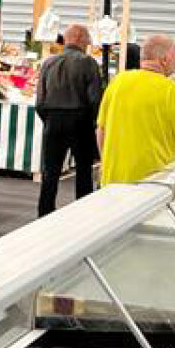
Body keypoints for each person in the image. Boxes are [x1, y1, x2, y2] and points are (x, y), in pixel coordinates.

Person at [99, 34, 175, 185]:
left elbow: (102, 130)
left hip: (112, 181)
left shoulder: (118, 82)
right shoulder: (173, 91)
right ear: (165, 59)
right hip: (153, 185)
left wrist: (105, 163)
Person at [35, 24, 104, 216]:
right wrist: (93, 124)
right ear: (81, 39)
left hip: (53, 120)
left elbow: (40, 100)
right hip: (80, 120)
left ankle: (44, 212)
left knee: (50, 171)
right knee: (83, 171)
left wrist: (48, 119)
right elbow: (95, 99)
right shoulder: (88, 63)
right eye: (88, 39)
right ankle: (83, 213)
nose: (89, 42)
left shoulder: (48, 63)